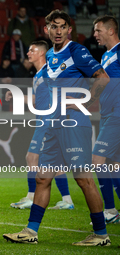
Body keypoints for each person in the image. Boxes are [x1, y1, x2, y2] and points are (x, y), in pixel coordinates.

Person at [3, 10, 111, 246]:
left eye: (62, 26)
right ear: (47, 30)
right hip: (54, 125)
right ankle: (31, 232)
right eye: (54, 26)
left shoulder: (76, 51)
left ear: (69, 29)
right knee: (43, 178)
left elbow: (102, 77)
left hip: (74, 124)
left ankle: (101, 235)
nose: (58, 31)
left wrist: (84, 102)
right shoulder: (50, 55)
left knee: (83, 180)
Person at [5, 41, 74, 210]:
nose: (28, 53)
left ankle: (31, 197)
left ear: (42, 53)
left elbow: (61, 92)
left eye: (31, 50)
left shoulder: (49, 72)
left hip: (48, 121)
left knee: (32, 157)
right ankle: (67, 200)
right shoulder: (37, 76)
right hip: (45, 120)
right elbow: (35, 100)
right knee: (53, 163)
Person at [92, 15, 120, 224]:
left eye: (98, 30)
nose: (95, 35)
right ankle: (112, 211)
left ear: (111, 31)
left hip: (117, 116)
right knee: (113, 165)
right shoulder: (106, 56)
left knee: (98, 160)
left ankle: (109, 211)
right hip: (107, 115)